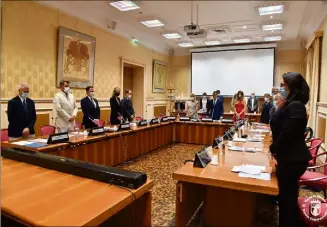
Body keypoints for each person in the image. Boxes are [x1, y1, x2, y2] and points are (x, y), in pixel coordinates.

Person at [270, 72, 311, 227]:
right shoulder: (291, 104)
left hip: (292, 159)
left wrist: (273, 148)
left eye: (283, 85)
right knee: (286, 197)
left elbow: (287, 134)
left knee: (287, 199)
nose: (280, 88)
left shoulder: (297, 106)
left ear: (291, 86)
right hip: (288, 157)